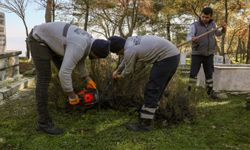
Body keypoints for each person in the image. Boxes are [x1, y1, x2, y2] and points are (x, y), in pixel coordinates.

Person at [26, 22, 110, 135]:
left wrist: (87, 78)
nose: (93, 59)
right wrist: (71, 95)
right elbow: (64, 73)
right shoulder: (79, 45)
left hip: (52, 42)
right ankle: (43, 123)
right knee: (45, 78)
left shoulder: (88, 40)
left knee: (65, 73)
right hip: (39, 39)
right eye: (95, 57)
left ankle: (67, 104)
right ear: (94, 52)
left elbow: (80, 59)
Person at [108, 35, 180, 132]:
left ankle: (145, 124)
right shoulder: (130, 41)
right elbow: (126, 59)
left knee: (152, 89)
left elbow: (129, 70)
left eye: (116, 52)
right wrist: (118, 70)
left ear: (119, 49)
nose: (117, 54)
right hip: (172, 56)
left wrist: (119, 76)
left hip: (166, 59)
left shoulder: (129, 50)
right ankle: (152, 114)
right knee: (156, 89)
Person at [187, 7, 227, 98]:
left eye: (207, 17)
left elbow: (218, 34)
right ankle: (189, 93)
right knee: (193, 73)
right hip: (197, 53)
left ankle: (210, 92)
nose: (205, 19)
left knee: (209, 74)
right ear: (201, 15)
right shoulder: (194, 25)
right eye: (203, 16)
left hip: (209, 54)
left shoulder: (213, 24)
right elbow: (189, 37)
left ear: (211, 17)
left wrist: (224, 29)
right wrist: (192, 39)